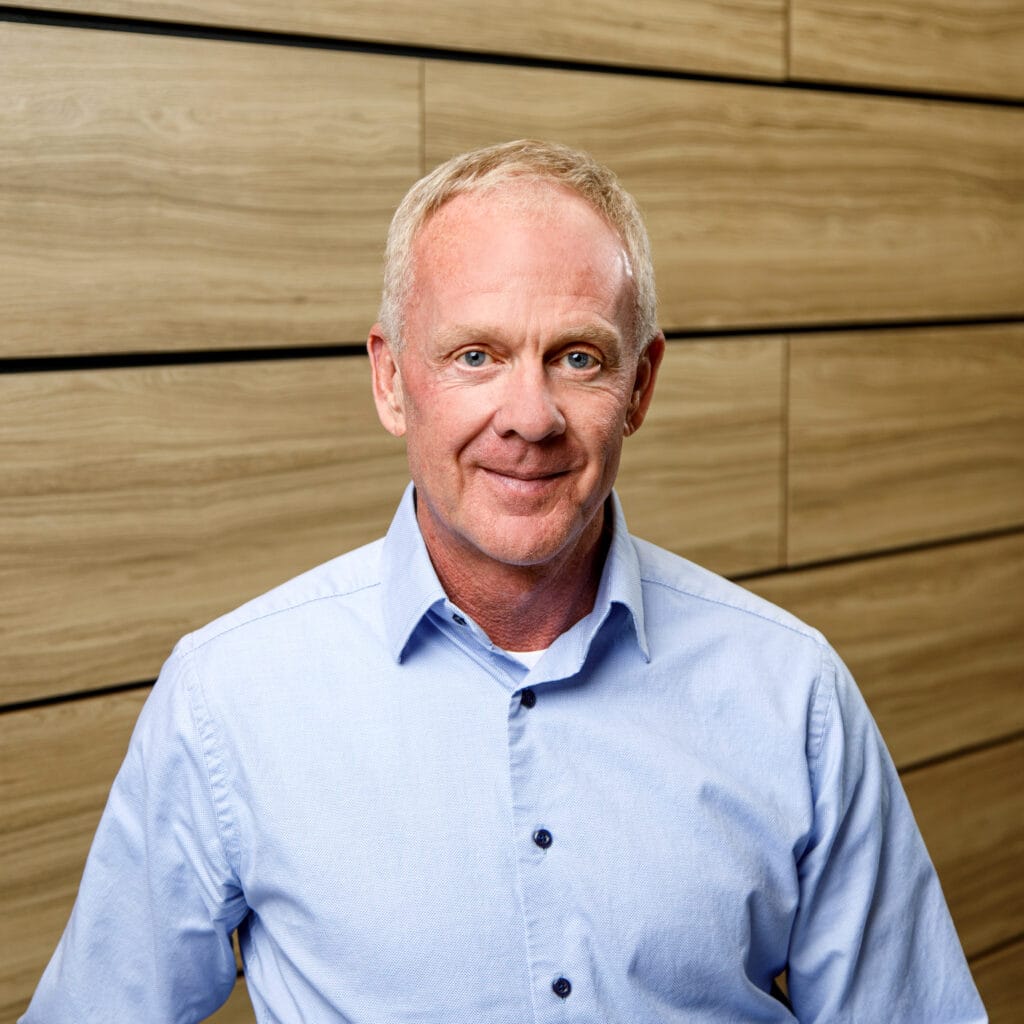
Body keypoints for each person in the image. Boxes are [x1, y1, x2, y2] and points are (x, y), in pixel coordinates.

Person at [23, 140, 986, 1023]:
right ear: (392, 380)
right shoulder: (227, 700)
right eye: (475, 356)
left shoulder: (794, 694)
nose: (529, 417)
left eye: (577, 357)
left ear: (640, 387)